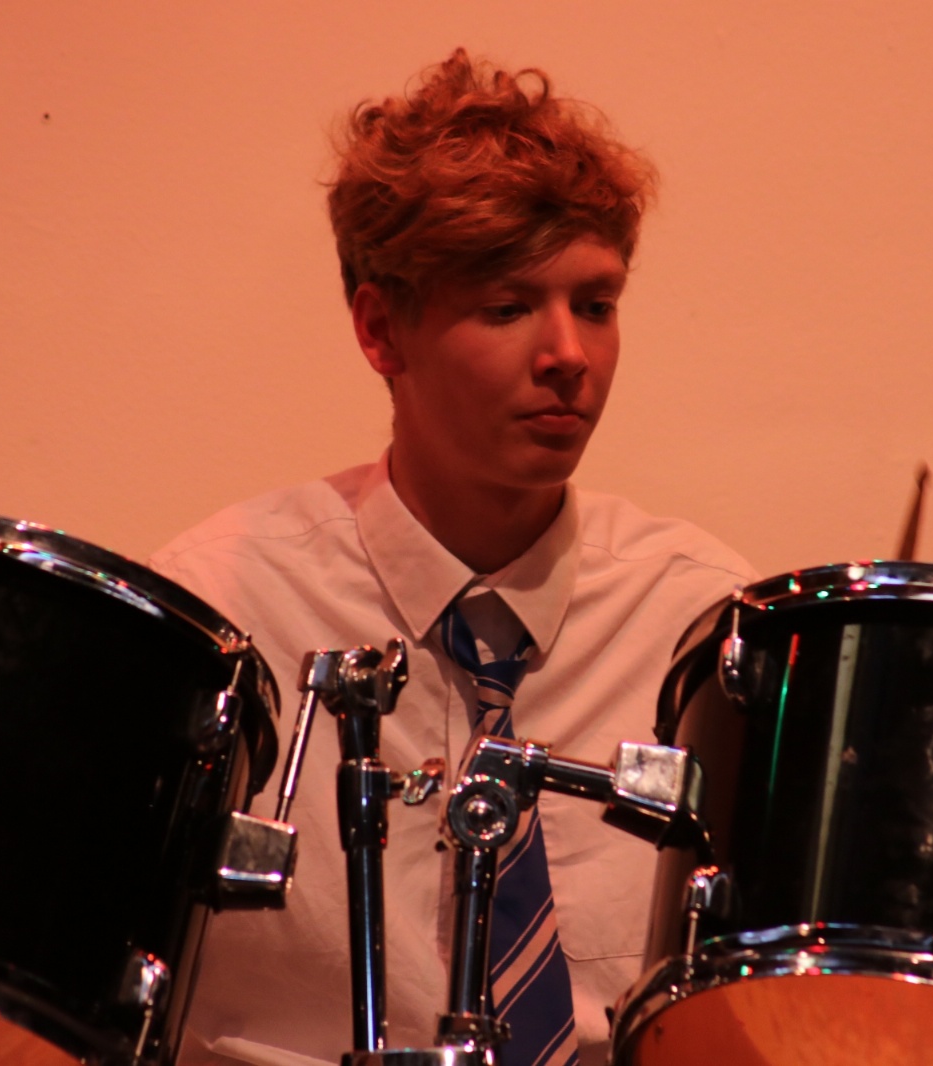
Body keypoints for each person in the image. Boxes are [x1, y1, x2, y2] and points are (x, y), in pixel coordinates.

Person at [151, 48, 756, 1066]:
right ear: (380, 329)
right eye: (508, 307)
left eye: (596, 304)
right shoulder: (223, 608)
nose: (568, 355)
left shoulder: (703, 631)